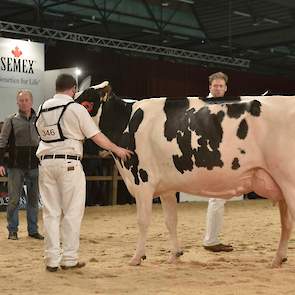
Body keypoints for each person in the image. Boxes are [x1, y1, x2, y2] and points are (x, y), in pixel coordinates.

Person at [35, 74, 133, 272]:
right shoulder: (75, 109)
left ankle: (51, 260)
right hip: (69, 164)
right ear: (73, 89)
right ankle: (69, 259)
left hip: (45, 164)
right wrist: (117, 149)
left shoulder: (42, 107)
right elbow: (96, 136)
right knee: (72, 212)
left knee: (51, 213)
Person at [0, 90, 44, 240]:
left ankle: (33, 230)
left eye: (26, 100)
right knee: (13, 199)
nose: (24, 102)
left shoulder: (39, 120)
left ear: (31, 102)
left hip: (35, 166)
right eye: (21, 100)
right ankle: (12, 230)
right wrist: (1, 163)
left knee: (33, 200)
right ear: (17, 102)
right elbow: (2, 142)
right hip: (15, 166)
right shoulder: (10, 120)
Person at [203, 72, 233, 252]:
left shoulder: (227, 105)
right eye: (215, 86)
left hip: (219, 155)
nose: (218, 88)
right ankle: (211, 240)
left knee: (219, 197)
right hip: (209, 156)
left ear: (225, 88)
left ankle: (211, 239)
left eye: (221, 86)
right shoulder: (204, 106)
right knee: (218, 197)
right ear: (210, 87)